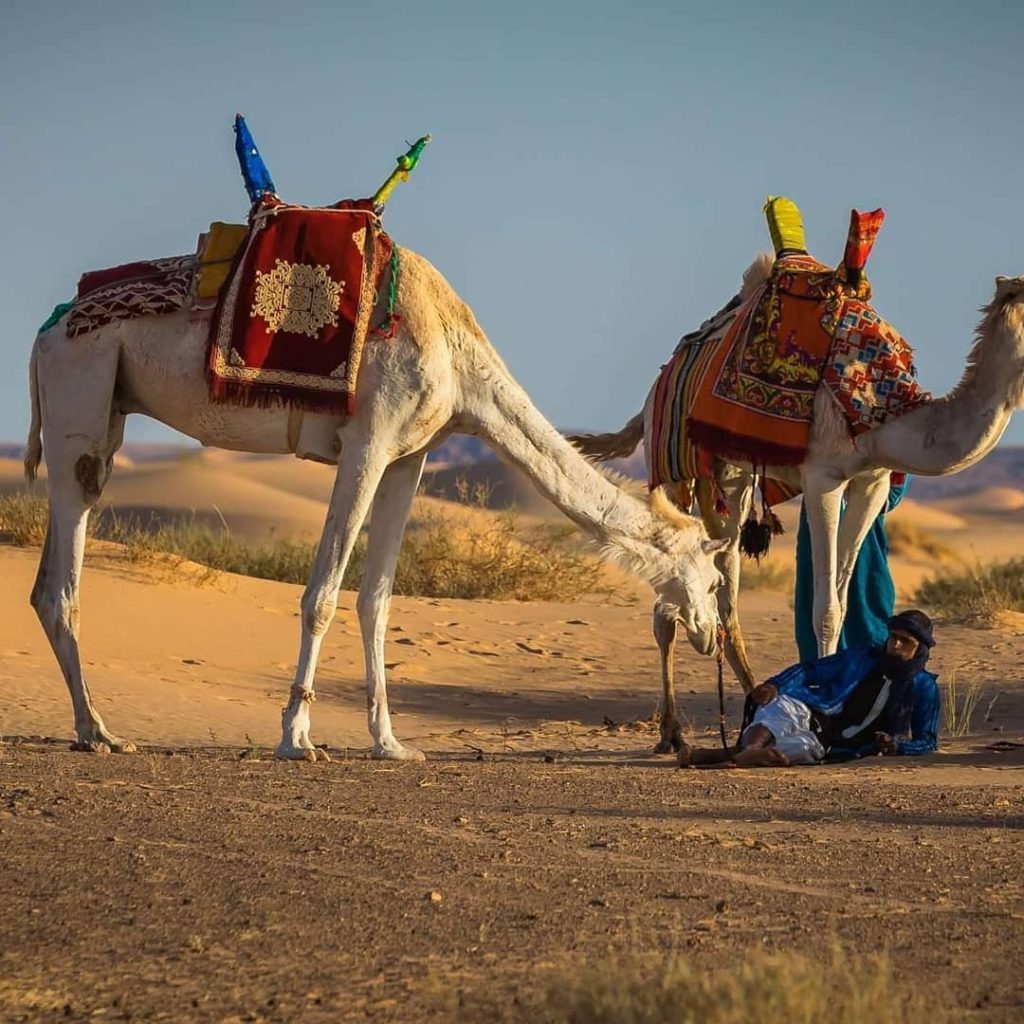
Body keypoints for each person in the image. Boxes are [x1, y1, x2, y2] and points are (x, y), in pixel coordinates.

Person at [678, 610, 941, 768]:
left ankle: (714, 756)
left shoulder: (924, 686)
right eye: (893, 637)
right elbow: (810, 669)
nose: (895, 645)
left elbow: (927, 740)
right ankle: (749, 752)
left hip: (834, 743)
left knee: (794, 750)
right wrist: (775, 684)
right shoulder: (862, 658)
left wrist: (898, 747)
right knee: (780, 706)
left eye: (904, 641)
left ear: (920, 648)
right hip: (812, 712)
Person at [794, 473, 909, 662]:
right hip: (818, 509)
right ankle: (820, 672)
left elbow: (893, 488)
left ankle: (864, 675)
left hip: (865, 525)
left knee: (866, 603)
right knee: (815, 593)